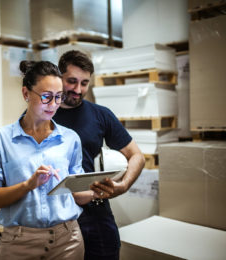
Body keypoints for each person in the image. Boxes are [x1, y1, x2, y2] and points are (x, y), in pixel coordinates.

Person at [0, 61, 86, 260]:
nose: (54, 104)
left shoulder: (70, 138)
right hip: (19, 243)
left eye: (58, 97)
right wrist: (28, 185)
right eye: (46, 97)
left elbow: (76, 192)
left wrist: (97, 190)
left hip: (68, 240)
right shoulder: (1, 139)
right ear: (26, 93)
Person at [53, 50, 146, 260]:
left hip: (95, 213)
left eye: (84, 83)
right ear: (59, 78)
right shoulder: (41, 115)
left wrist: (123, 186)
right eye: (72, 81)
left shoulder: (100, 114)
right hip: (54, 216)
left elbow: (137, 156)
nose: (78, 90)